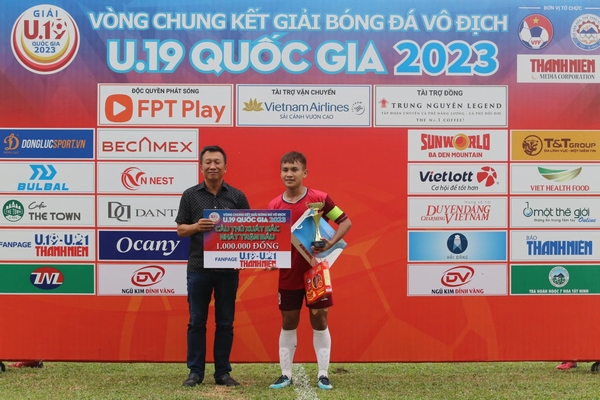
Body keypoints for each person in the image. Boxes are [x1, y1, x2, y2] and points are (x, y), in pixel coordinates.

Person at [267, 151, 352, 390]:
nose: (289, 174)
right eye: (285, 170)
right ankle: (285, 374)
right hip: (289, 274)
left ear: (304, 172)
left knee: (320, 320)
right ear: (280, 173)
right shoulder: (274, 206)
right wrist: (271, 259)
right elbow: (275, 241)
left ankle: (323, 374)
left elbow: (345, 222)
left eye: (294, 169)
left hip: (317, 272)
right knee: (288, 321)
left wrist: (329, 243)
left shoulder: (320, 199)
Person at [175, 145, 250, 387]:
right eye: (208, 162)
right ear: (201, 167)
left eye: (217, 162)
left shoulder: (237, 197)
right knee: (197, 321)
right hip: (198, 269)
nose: (213, 166)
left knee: (225, 323)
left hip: (228, 271)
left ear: (225, 167)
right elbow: (180, 230)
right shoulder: (190, 195)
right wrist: (197, 227)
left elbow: (250, 231)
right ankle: (195, 372)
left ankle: (222, 373)